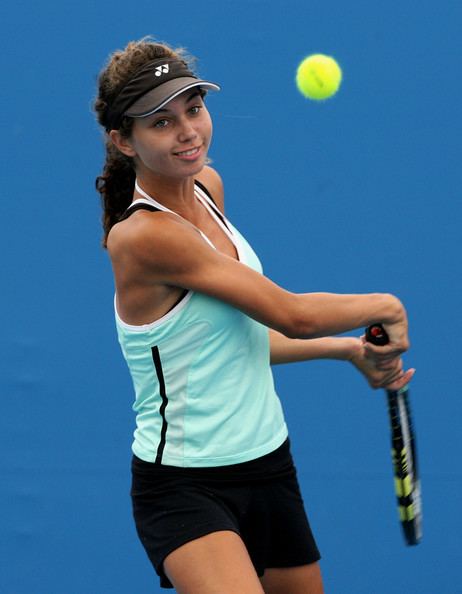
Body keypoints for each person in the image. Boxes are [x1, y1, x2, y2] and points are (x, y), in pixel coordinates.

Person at [93, 37, 414, 594]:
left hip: (268, 465)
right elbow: (293, 316)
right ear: (124, 141)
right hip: (185, 488)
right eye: (162, 122)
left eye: (193, 108)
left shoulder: (208, 189)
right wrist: (389, 307)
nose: (188, 130)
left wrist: (346, 349)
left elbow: (238, 339)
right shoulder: (144, 236)